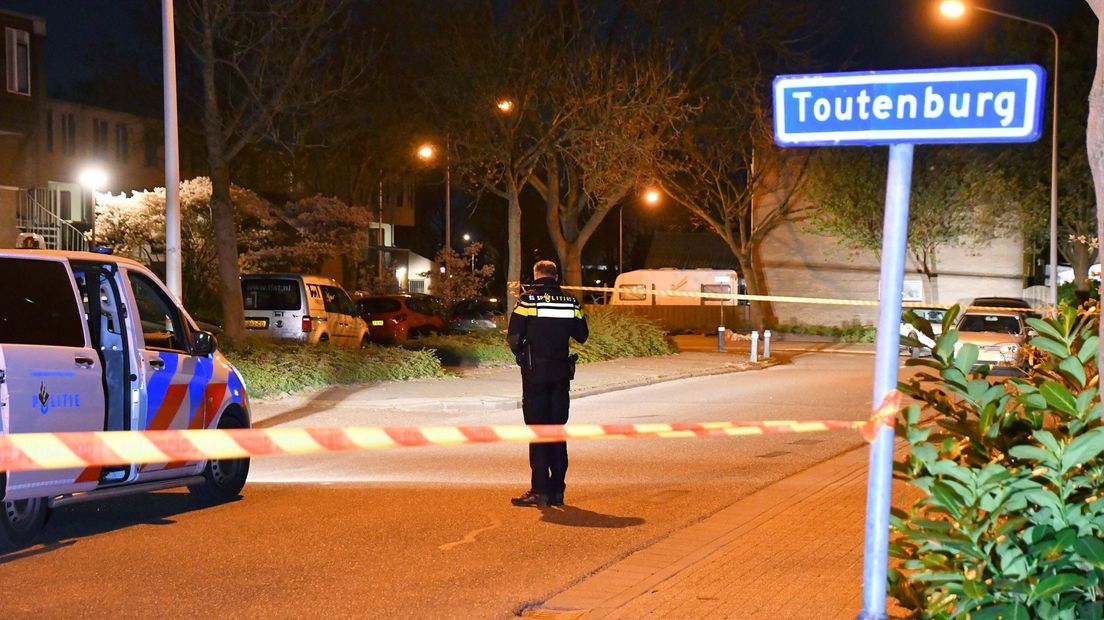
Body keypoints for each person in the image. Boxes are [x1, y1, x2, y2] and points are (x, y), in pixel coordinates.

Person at [507, 260, 588, 507]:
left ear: (536, 275)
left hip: (535, 376)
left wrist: (523, 355)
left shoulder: (529, 301)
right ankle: (557, 491)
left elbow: (513, 337)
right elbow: (582, 335)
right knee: (556, 431)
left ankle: (539, 490)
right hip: (561, 375)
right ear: (555, 276)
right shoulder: (571, 302)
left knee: (539, 432)